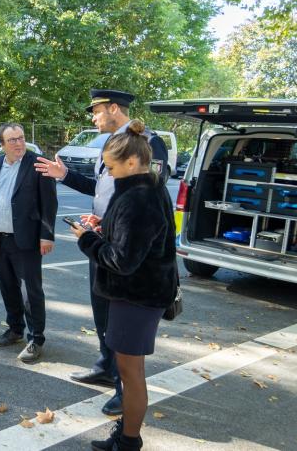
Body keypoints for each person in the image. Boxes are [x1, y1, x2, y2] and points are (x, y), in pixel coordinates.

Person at [34, 88, 169, 416]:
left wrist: (107, 226)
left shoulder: (147, 143)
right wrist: (64, 175)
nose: (93, 118)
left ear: (113, 108)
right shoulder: (109, 146)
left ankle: (125, 389)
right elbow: (102, 189)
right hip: (104, 238)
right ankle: (107, 367)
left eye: (95, 111)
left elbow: (144, 198)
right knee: (102, 313)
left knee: (121, 320)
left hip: (126, 251)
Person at [69, 119, 178, 451]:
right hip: (139, 294)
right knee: (131, 373)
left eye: (112, 167)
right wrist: (105, 226)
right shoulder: (145, 187)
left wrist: (88, 239)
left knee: (131, 376)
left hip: (136, 297)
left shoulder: (138, 198)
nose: (109, 173)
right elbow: (136, 240)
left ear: (132, 162)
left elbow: (123, 260)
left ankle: (129, 441)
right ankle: (128, 434)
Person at [0, 123, 58, 363]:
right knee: (7, 287)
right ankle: (15, 329)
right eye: (12, 140)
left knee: (30, 292)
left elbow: (49, 203)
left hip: (27, 239)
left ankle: (36, 339)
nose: (18, 143)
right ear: (2, 145)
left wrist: (47, 235)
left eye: (21, 138)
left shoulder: (38, 164)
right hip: (0, 237)